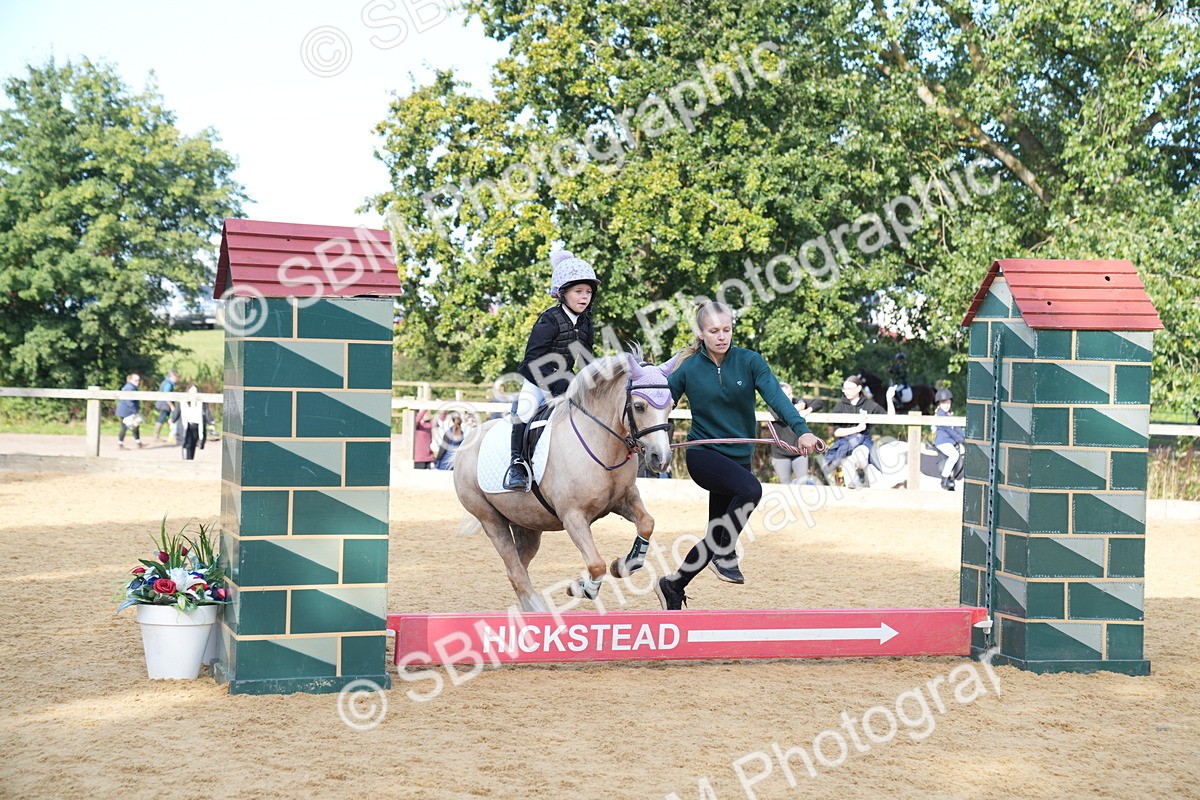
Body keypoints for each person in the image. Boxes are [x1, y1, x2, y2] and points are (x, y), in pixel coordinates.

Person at [653, 302, 823, 611]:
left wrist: (802, 430)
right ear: (700, 333)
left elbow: (777, 398)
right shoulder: (687, 367)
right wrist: (651, 439)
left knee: (715, 536)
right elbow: (659, 404)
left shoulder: (750, 361)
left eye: (727, 330)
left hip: (737, 459)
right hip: (703, 455)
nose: (721, 337)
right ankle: (726, 550)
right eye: (714, 331)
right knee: (751, 490)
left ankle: (673, 585)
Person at [503, 249, 599, 491]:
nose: (584, 297)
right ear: (562, 293)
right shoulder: (549, 320)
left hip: (567, 381)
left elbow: (586, 359)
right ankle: (517, 465)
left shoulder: (586, 323)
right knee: (523, 411)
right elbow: (532, 358)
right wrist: (557, 382)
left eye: (588, 292)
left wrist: (593, 382)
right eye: (578, 291)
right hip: (537, 379)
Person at [821, 375, 893, 488]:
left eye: (850, 388)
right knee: (848, 475)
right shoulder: (839, 407)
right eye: (844, 389)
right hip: (845, 445)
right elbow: (837, 432)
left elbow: (890, 418)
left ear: (859, 389)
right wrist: (857, 429)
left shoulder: (869, 405)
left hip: (863, 443)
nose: (846, 391)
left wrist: (889, 399)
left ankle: (864, 476)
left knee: (860, 455)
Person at [932, 388, 965, 491]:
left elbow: (957, 428)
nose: (946, 405)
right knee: (954, 455)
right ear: (939, 404)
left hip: (950, 441)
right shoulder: (941, 415)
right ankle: (944, 478)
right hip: (942, 442)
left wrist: (966, 436)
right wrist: (961, 439)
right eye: (944, 403)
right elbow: (949, 431)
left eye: (948, 403)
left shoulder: (949, 414)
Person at [115, 373, 144, 450]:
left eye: (138, 380)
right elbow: (129, 401)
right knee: (124, 427)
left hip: (127, 411)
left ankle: (138, 443)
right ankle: (120, 444)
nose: (138, 382)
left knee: (135, 426)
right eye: (136, 380)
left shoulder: (131, 387)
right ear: (131, 380)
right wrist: (135, 411)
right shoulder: (130, 388)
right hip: (126, 411)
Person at [178, 385, 207, 460]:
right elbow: (178, 411)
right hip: (187, 425)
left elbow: (206, 413)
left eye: (195, 391)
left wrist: (211, 422)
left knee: (193, 445)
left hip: (196, 426)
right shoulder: (183, 401)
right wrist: (172, 419)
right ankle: (186, 459)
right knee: (187, 443)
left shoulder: (200, 403)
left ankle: (190, 459)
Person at [153, 369, 179, 442]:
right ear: (173, 376)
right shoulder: (168, 384)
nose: (177, 379)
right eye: (176, 377)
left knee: (164, 418)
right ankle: (157, 436)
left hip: (163, 404)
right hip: (164, 405)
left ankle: (158, 435)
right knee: (163, 418)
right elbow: (166, 395)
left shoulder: (166, 382)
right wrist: (171, 405)